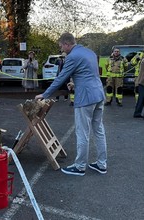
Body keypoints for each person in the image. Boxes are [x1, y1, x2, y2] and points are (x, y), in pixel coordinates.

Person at [35, 32, 107, 176]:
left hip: (86, 98)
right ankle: (101, 163)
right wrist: (75, 83)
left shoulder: (72, 56)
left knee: (82, 133)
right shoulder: (89, 52)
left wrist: (45, 94)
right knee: (98, 130)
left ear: (67, 44)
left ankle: (80, 166)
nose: (61, 49)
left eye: (61, 46)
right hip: (98, 94)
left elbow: (60, 78)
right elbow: (89, 74)